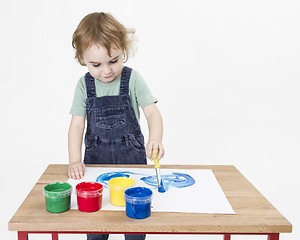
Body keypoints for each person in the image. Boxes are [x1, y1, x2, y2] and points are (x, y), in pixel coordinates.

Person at [68, 12, 164, 240]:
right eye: (96, 64)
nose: (107, 70)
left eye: (114, 60)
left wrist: (155, 138)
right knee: (96, 223)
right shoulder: (84, 85)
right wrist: (74, 160)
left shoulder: (133, 79)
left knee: (134, 223)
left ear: (123, 50)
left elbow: (152, 112)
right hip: (95, 164)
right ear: (82, 58)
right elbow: (76, 125)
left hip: (132, 162)